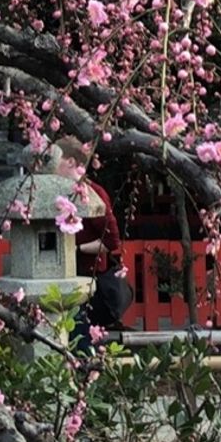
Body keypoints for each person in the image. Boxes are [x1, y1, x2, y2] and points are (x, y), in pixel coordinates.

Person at [49, 136, 132, 340]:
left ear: (70, 162)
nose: (49, 165)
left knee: (79, 337)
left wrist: (76, 250)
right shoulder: (58, 192)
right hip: (61, 278)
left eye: (55, 159)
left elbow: (111, 241)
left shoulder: (92, 193)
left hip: (86, 280)